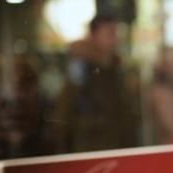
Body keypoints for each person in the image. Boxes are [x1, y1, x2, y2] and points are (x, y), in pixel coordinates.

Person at [56, 14, 139, 153]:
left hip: (119, 149)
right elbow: (65, 112)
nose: (115, 40)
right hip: (90, 150)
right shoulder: (81, 67)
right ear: (94, 36)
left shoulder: (116, 67)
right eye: (109, 34)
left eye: (116, 34)